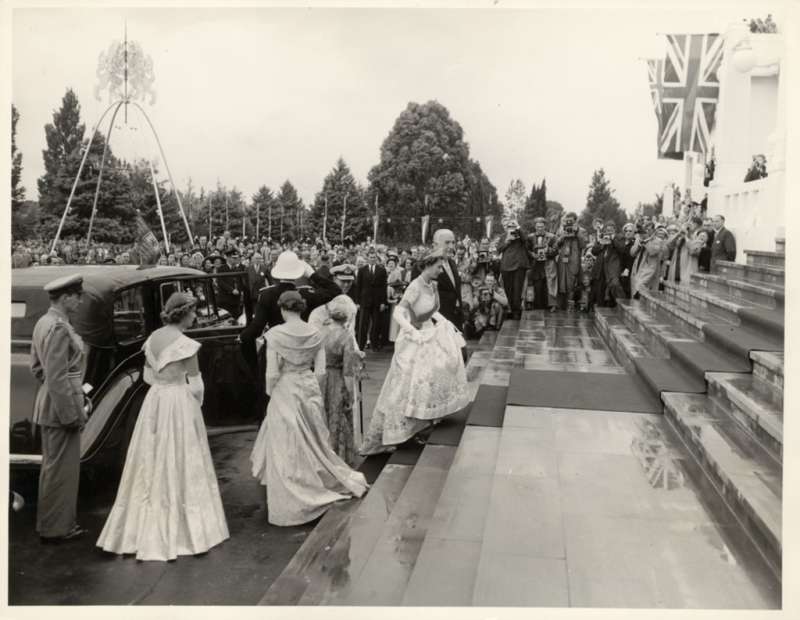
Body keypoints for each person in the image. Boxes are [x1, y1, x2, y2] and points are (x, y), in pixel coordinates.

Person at [96, 292, 228, 560]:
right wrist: (194, 406)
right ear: (184, 313)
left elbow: (147, 375)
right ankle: (185, 528)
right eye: (193, 312)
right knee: (181, 456)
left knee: (151, 456)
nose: (195, 317)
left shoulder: (153, 338)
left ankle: (142, 522)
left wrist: (163, 385)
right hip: (178, 401)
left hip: (155, 400)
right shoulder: (186, 345)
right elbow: (197, 384)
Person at [249, 291, 368, 526]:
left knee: (286, 439)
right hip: (308, 385)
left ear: (283, 309)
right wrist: (312, 390)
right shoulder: (314, 332)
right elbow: (321, 371)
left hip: (286, 387)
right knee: (313, 436)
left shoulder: (275, 335)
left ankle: (292, 482)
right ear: (301, 308)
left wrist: (273, 393)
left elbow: (272, 373)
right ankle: (315, 476)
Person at [361, 249, 470, 455]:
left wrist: (444, 320)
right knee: (408, 386)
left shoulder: (432, 285)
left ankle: (421, 424)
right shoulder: (414, 285)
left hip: (430, 335)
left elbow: (430, 309)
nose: (440, 270)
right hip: (414, 339)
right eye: (438, 266)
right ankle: (401, 432)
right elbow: (400, 313)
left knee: (430, 381)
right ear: (427, 265)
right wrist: (412, 332)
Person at [30, 274, 90, 543]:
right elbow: (56, 376)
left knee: (53, 468)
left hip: (52, 402)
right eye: (77, 296)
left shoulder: (44, 323)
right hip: (61, 407)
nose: (79, 301)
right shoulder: (59, 328)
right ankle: (58, 528)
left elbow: (38, 369)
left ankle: (52, 525)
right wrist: (71, 411)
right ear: (66, 297)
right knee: (62, 471)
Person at [239, 250, 340, 371]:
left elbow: (256, 329)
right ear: (298, 272)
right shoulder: (305, 294)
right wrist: (312, 274)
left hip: (275, 353)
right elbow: (335, 290)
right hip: (300, 353)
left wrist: (251, 361)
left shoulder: (267, 294)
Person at [315, 296, 363, 466]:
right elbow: (348, 371)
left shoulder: (322, 334)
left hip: (322, 377)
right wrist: (350, 394)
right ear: (347, 318)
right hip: (337, 377)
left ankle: (324, 454)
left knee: (325, 415)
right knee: (340, 414)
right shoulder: (346, 337)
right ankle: (339, 456)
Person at [413, 229, 464, 329]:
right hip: (435, 324)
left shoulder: (452, 263)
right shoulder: (422, 266)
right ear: (435, 245)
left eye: (453, 242)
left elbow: (454, 291)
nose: (451, 246)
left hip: (454, 321)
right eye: (447, 242)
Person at [497, 221, 530, 320]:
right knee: (508, 289)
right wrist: (507, 241)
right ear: (506, 228)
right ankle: (509, 309)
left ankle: (516, 311)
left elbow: (526, 242)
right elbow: (499, 249)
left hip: (519, 266)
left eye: (513, 226)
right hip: (506, 266)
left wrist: (519, 229)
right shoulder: (503, 236)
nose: (512, 228)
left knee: (517, 289)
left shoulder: (520, 235)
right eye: (509, 227)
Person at [553, 212, 586, 311]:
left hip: (574, 260)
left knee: (572, 282)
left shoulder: (581, 230)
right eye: (568, 220)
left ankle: (570, 305)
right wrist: (562, 237)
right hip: (563, 260)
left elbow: (583, 245)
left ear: (575, 221)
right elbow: (555, 246)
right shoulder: (561, 230)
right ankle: (560, 305)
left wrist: (577, 233)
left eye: (571, 220)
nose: (569, 222)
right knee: (561, 282)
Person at [590, 221, 628, 307]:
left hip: (612, 267)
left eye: (611, 230)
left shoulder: (619, 237)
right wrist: (601, 243)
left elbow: (621, 249)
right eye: (607, 230)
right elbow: (594, 251)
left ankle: (623, 304)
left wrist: (612, 239)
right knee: (601, 292)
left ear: (615, 230)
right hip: (601, 268)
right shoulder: (602, 237)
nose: (609, 232)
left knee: (614, 285)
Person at [525, 217, 557, 311]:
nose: (540, 228)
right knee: (534, 285)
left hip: (548, 264)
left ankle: (551, 305)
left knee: (549, 285)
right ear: (535, 227)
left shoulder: (552, 237)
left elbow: (556, 251)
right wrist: (532, 255)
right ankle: (531, 304)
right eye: (538, 226)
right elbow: (526, 250)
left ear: (545, 226)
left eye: (542, 226)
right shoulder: (530, 237)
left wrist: (548, 251)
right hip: (535, 265)